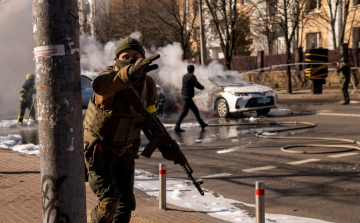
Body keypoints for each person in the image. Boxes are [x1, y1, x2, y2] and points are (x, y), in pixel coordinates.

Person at [83, 37, 178, 223]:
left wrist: (167, 146)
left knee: (126, 204)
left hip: (126, 149)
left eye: (136, 56)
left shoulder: (148, 84)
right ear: (117, 59)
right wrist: (129, 74)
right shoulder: (108, 78)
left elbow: (151, 118)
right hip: (99, 151)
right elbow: (100, 86)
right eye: (126, 56)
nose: (132, 60)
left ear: (143, 57)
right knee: (109, 203)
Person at [174, 65, 208, 132]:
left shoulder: (184, 76)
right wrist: (202, 87)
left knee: (195, 110)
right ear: (193, 70)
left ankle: (202, 124)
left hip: (185, 95)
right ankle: (177, 126)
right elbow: (197, 84)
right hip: (188, 96)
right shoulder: (192, 76)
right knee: (184, 112)